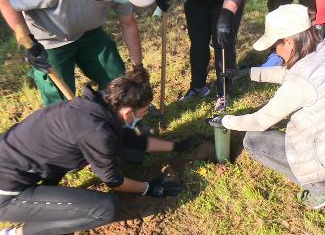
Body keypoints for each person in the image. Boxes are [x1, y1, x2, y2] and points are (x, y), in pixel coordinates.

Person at [209, 4, 325, 209]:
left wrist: (225, 121)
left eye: (274, 45)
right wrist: (247, 73)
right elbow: (290, 73)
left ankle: (323, 188)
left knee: (253, 141)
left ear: (289, 42)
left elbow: (260, 121)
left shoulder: (300, 83)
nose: (274, 51)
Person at [0, 68, 193, 235]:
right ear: (128, 113)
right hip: (6, 193)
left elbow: (130, 140)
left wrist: (176, 146)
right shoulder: (96, 133)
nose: (142, 116)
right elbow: (113, 181)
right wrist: (148, 188)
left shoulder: (97, 105)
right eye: (143, 112)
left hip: (15, 162)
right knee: (105, 209)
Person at [0, 0, 155, 106]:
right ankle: (71, 138)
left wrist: (138, 67)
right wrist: (26, 38)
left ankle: (120, 124)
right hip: (50, 43)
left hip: (89, 33)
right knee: (60, 100)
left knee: (116, 77)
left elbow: (128, 24)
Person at [175, 0, 250, 112]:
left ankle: (224, 92)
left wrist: (227, 13)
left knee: (223, 43)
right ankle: (198, 87)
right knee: (198, 41)